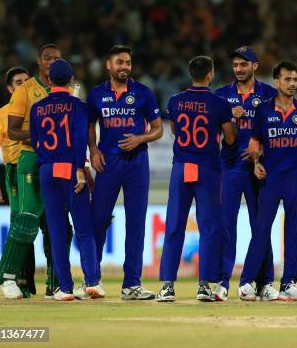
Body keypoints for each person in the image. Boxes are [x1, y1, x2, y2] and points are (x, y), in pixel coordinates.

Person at [156, 56, 236, 302]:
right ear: (210, 74)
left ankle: (167, 286)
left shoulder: (175, 101)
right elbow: (230, 139)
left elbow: (174, 130)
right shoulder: (219, 103)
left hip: (182, 167)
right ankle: (204, 286)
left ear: (190, 74)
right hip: (208, 168)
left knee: (175, 225)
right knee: (209, 227)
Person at [87, 45, 163, 300]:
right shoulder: (96, 94)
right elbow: (89, 125)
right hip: (107, 164)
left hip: (136, 163)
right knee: (97, 220)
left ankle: (131, 284)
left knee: (136, 224)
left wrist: (140, 139)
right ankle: (92, 280)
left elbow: (158, 129)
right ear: (108, 65)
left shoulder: (143, 92)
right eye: (119, 62)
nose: (124, 67)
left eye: (128, 63)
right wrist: (93, 149)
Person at [0, 44, 71, 299]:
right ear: (39, 62)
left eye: (57, 58)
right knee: (27, 220)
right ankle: (7, 278)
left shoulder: (67, 90)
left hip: (59, 161)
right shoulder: (25, 91)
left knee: (60, 225)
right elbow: (13, 132)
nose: (52, 62)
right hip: (31, 159)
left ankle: (58, 284)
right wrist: (42, 135)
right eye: (48, 58)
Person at [30, 59, 102, 301]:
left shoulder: (37, 108)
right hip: (71, 169)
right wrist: (81, 169)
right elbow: (80, 137)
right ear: (71, 80)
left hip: (47, 170)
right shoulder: (78, 106)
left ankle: (65, 288)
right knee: (84, 228)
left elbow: (35, 139)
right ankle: (92, 282)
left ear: (49, 81)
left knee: (57, 230)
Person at [238, 61, 297, 301]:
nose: (292, 84)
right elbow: (254, 142)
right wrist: (256, 163)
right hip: (270, 179)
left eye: (295, 80)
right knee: (261, 230)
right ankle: (247, 282)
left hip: (296, 180)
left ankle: (289, 281)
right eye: (287, 80)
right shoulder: (263, 110)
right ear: (276, 82)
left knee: (294, 231)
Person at [214, 46, 277, 301]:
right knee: (227, 227)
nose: (239, 69)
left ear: (255, 66)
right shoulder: (221, 97)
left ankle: (265, 283)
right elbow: (211, 130)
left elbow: (277, 129)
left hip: (259, 169)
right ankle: (222, 282)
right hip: (230, 168)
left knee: (261, 227)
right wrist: (229, 116)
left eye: (244, 64)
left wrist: (259, 150)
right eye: (236, 65)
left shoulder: (270, 95)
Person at [0, 67, 34, 299]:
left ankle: (49, 284)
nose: (23, 85)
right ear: (9, 88)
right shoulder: (1, 115)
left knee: (47, 227)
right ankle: (10, 277)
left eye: (26, 81)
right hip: (16, 171)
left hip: (42, 167)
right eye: (18, 82)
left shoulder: (40, 108)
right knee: (22, 223)